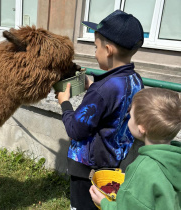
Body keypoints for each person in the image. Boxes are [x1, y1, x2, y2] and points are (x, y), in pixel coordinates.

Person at [56, 10, 144, 209]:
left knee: (83, 205)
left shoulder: (102, 91)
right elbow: (115, 103)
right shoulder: (135, 80)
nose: (95, 52)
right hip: (113, 163)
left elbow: (76, 129)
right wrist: (91, 87)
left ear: (109, 50)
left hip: (87, 168)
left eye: (96, 47)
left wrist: (65, 102)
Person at [89, 88, 181, 210]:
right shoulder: (175, 159)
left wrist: (105, 204)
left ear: (141, 128)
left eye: (131, 116)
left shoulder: (142, 168)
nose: (129, 118)